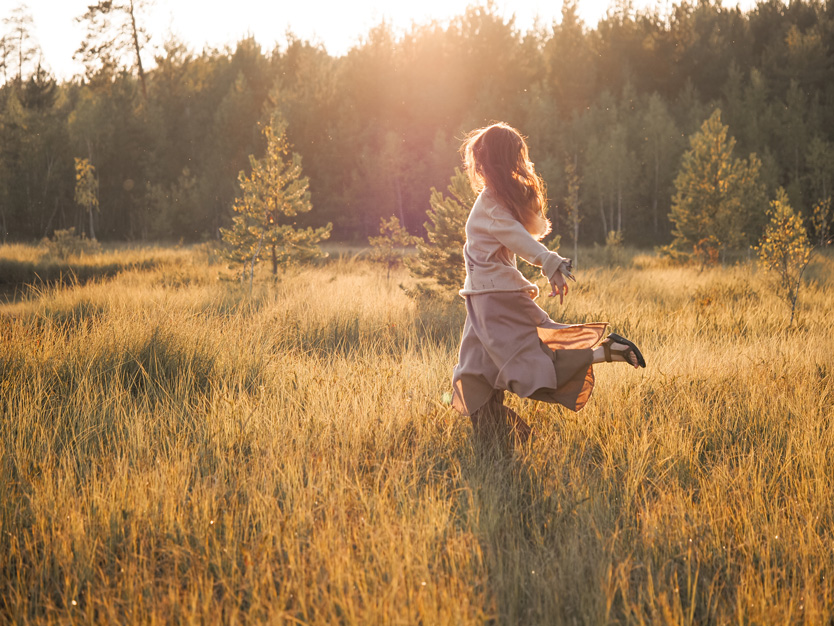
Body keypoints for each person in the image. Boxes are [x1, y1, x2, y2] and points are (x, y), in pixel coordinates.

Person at [451, 122, 646, 449]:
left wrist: (551, 263)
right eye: (476, 157)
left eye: (482, 157)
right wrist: (549, 264)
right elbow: (518, 238)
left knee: (526, 365)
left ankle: (606, 352)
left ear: (492, 162)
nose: (477, 164)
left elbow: (520, 240)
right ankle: (505, 449)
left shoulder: (491, 204)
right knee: (473, 375)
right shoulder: (496, 200)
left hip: (493, 301)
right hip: (483, 302)